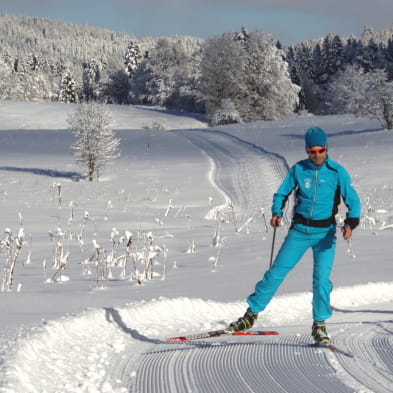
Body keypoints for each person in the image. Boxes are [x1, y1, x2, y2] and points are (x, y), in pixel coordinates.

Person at [228, 126, 361, 344]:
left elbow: (353, 201)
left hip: (325, 234)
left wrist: (350, 223)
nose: (316, 155)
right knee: (276, 273)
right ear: (307, 150)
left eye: (320, 150)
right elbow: (282, 193)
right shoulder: (298, 170)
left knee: (321, 280)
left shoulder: (337, 172)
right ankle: (250, 315)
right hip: (299, 231)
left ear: (327, 148)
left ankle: (319, 325)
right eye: (312, 151)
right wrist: (276, 212)